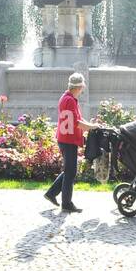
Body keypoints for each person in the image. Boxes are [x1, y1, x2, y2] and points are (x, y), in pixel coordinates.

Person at [44, 72, 97, 214]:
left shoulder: (66, 98)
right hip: (68, 140)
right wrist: (92, 127)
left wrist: (89, 124)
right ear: (79, 87)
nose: (82, 90)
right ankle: (66, 203)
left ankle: (51, 193)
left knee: (69, 170)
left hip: (65, 139)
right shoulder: (70, 100)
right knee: (70, 172)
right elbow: (77, 122)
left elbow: (78, 118)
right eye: (82, 87)